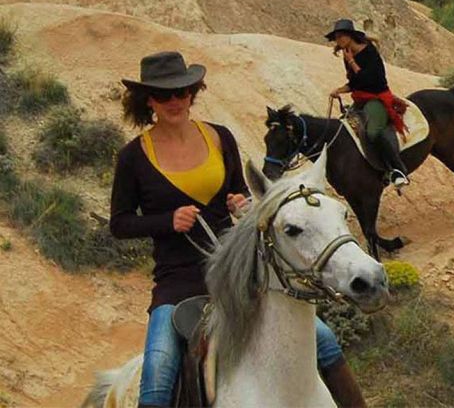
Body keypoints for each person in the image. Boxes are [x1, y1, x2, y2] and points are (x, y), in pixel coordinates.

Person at [110, 51, 365, 408]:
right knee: (157, 375)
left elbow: (242, 192)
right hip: (177, 280)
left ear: (192, 93)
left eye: (182, 92)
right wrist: (166, 222)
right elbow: (119, 223)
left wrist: (243, 205)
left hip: (239, 272)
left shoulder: (220, 138)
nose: (175, 101)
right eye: (164, 95)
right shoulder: (133, 157)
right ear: (148, 99)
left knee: (324, 340)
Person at [326, 19, 410, 188]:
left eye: (341, 36)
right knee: (344, 129)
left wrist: (351, 62)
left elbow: (371, 80)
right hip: (360, 98)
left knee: (373, 132)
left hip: (377, 98)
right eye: (336, 37)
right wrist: (340, 90)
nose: (339, 40)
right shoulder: (348, 55)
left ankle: (398, 170)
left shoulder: (370, 52)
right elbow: (355, 82)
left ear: (350, 36)